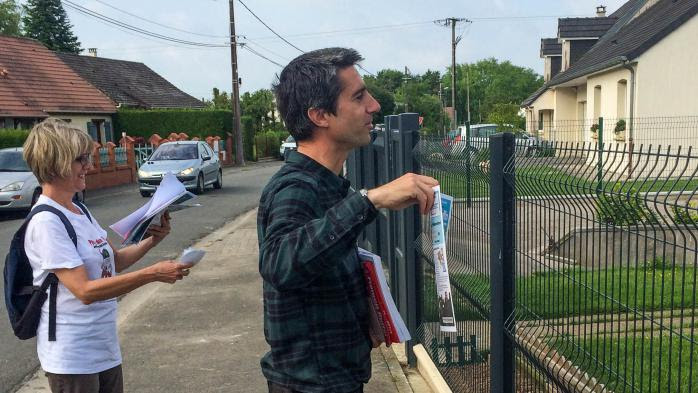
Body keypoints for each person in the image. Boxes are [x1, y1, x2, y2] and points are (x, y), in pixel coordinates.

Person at [258, 47, 439, 393]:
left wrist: (360, 314)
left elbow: (317, 268)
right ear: (320, 115)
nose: (374, 105)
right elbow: (280, 262)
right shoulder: (295, 188)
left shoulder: (327, 183)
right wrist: (371, 199)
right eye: (359, 97)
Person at [22, 118, 192, 393]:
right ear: (55, 164)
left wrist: (152, 240)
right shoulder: (46, 222)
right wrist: (152, 274)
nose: (88, 166)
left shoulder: (80, 211)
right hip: (73, 358)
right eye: (80, 160)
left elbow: (114, 262)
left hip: (102, 346)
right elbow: (85, 290)